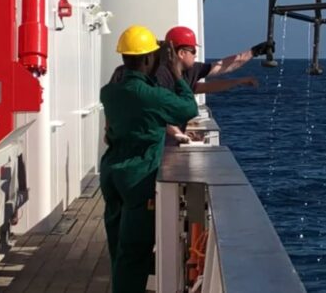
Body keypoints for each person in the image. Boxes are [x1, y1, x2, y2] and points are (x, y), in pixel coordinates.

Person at [99, 25, 199, 293]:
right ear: (146, 59)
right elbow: (188, 108)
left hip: (111, 174)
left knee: (118, 245)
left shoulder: (108, 92)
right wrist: (176, 73)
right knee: (135, 250)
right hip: (138, 177)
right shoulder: (151, 97)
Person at [108, 25, 273, 143]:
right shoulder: (161, 75)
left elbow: (221, 66)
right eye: (193, 51)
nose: (196, 55)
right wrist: (177, 133)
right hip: (152, 146)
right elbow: (154, 110)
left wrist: (254, 52)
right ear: (181, 53)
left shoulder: (189, 71)